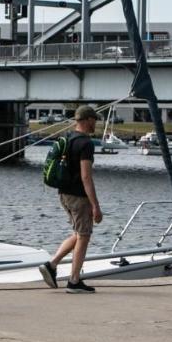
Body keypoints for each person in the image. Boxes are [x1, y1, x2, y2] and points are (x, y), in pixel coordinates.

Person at [38, 105, 103, 293]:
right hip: (78, 196)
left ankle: (52, 265)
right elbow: (86, 177)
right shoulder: (85, 144)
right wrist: (95, 206)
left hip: (64, 194)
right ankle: (74, 281)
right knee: (84, 236)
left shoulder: (67, 138)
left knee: (78, 233)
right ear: (87, 120)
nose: (96, 124)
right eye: (94, 120)